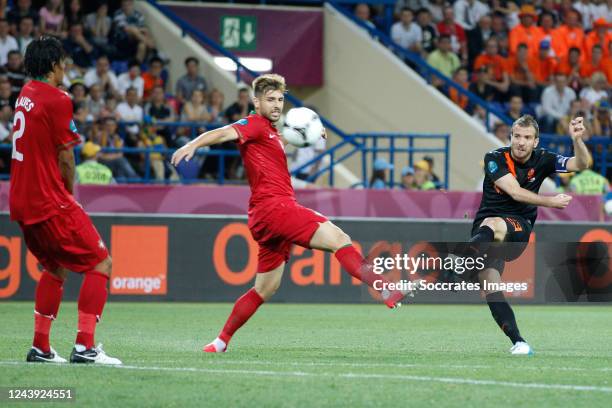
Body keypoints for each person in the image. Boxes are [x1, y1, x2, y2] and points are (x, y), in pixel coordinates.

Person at [171, 74, 411, 353]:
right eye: (270, 99)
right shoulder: (253, 124)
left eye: (280, 100)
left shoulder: (269, 133)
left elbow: (278, 140)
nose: (276, 105)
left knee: (265, 289)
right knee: (339, 238)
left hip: (265, 216)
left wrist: (306, 134)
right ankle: (384, 288)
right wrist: (192, 145)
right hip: (275, 208)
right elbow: (223, 132)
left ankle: (220, 342)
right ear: (256, 101)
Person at [9, 37, 121, 364]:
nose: (66, 67)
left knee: (55, 267)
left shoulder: (25, 93)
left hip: (21, 201)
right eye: (63, 61)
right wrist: (68, 197)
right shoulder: (59, 99)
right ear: (54, 64)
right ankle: (85, 346)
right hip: (48, 199)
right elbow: (66, 157)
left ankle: (40, 347)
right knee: (101, 263)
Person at [464, 114, 591, 355]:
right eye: (517, 136)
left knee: (494, 223)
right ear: (510, 137)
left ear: (536, 142)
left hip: (517, 230)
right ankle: (519, 342)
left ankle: (457, 262)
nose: (521, 142)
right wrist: (550, 202)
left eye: (527, 137)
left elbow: (582, 164)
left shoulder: (543, 159)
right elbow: (514, 191)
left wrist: (577, 140)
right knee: (490, 285)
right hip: (485, 233)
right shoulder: (494, 158)